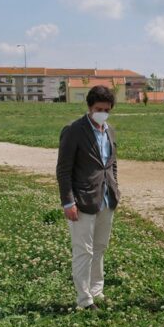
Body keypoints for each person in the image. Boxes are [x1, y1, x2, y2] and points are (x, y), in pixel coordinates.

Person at [56, 85, 120, 310]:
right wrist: (68, 201)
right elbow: (64, 170)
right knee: (84, 250)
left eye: (106, 109)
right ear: (90, 107)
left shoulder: (109, 131)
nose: (102, 113)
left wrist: (115, 189)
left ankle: (97, 290)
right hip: (82, 201)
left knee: (100, 247)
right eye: (98, 109)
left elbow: (111, 164)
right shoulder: (74, 130)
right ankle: (84, 300)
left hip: (105, 199)